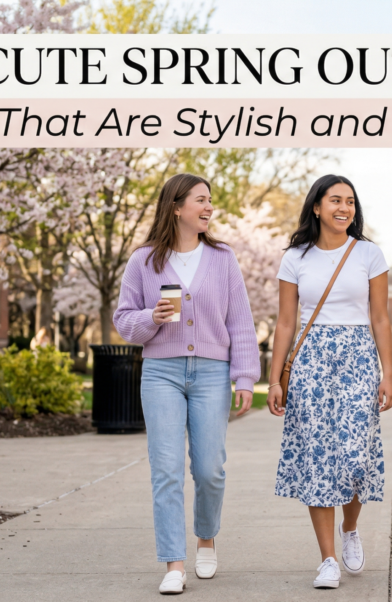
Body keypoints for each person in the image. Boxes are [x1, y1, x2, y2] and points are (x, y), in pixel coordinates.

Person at [114, 174, 258, 595]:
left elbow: (241, 322)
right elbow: (124, 320)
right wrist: (149, 319)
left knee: (210, 469)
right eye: (201, 200)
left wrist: (244, 376)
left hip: (212, 372)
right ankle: (173, 563)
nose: (209, 207)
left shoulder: (223, 257)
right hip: (161, 372)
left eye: (210, 200)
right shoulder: (143, 260)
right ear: (177, 207)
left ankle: (206, 538)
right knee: (166, 470)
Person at [266, 174, 392, 590]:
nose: (344, 208)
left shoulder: (369, 254)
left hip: (358, 357)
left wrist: (388, 373)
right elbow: (286, 322)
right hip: (311, 361)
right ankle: (326, 559)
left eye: (351, 202)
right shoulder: (296, 258)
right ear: (317, 207)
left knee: (355, 453)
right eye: (335, 200)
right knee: (318, 457)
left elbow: (380, 317)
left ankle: (350, 528)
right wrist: (274, 378)